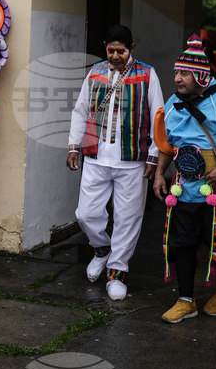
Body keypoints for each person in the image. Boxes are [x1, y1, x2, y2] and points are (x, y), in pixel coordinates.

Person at [153, 34, 216, 323]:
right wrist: (160, 173)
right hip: (183, 188)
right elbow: (166, 145)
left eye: (184, 73)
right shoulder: (171, 104)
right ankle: (186, 299)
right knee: (182, 242)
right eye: (176, 72)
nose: (177, 78)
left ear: (200, 74)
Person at [67, 25, 165, 300]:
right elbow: (80, 110)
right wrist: (74, 146)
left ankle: (117, 273)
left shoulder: (147, 74)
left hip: (132, 160)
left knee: (128, 218)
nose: (115, 55)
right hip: (95, 156)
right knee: (86, 214)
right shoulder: (95, 72)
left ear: (132, 48)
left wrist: (154, 156)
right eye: (110, 50)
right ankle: (101, 249)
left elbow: (159, 116)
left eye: (121, 51)